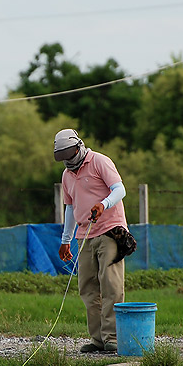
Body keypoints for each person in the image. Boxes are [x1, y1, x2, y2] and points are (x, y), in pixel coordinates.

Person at [54, 128, 130, 353]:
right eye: (63, 156)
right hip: (84, 236)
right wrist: (65, 239)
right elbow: (70, 207)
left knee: (111, 285)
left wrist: (103, 204)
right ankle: (97, 339)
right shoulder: (67, 175)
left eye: (70, 153)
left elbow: (120, 190)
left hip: (110, 231)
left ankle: (112, 338)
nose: (68, 159)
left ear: (78, 146)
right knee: (87, 287)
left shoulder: (99, 161)